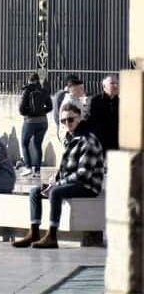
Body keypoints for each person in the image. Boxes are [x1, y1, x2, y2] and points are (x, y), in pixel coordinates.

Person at [13, 101, 105, 250]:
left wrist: (58, 184)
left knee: (55, 192)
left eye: (71, 119)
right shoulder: (70, 137)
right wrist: (53, 181)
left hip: (88, 186)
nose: (67, 123)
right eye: (63, 120)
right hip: (71, 183)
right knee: (35, 191)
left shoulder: (88, 140)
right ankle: (34, 232)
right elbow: (65, 168)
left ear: (79, 118)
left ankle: (52, 236)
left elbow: (83, 174)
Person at [18, 73, 52, 176]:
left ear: (29, 80)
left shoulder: (27, 90)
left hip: (30, 122)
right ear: (38, 80)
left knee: (24, 143)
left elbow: (21, 109)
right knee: (38, 145)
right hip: (43, 122)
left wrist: (30, 114)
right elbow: (50, 107)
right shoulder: (43, 91)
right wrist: (41, 112)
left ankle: (28, 167)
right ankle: (37, 171)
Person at [87, 74, 120, 153]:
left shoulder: (120, 101)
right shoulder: (96, 101)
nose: (116, 85)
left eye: (117, 83)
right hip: (100, 142)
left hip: (116, 143)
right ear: (104, 86)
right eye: (112, 83)